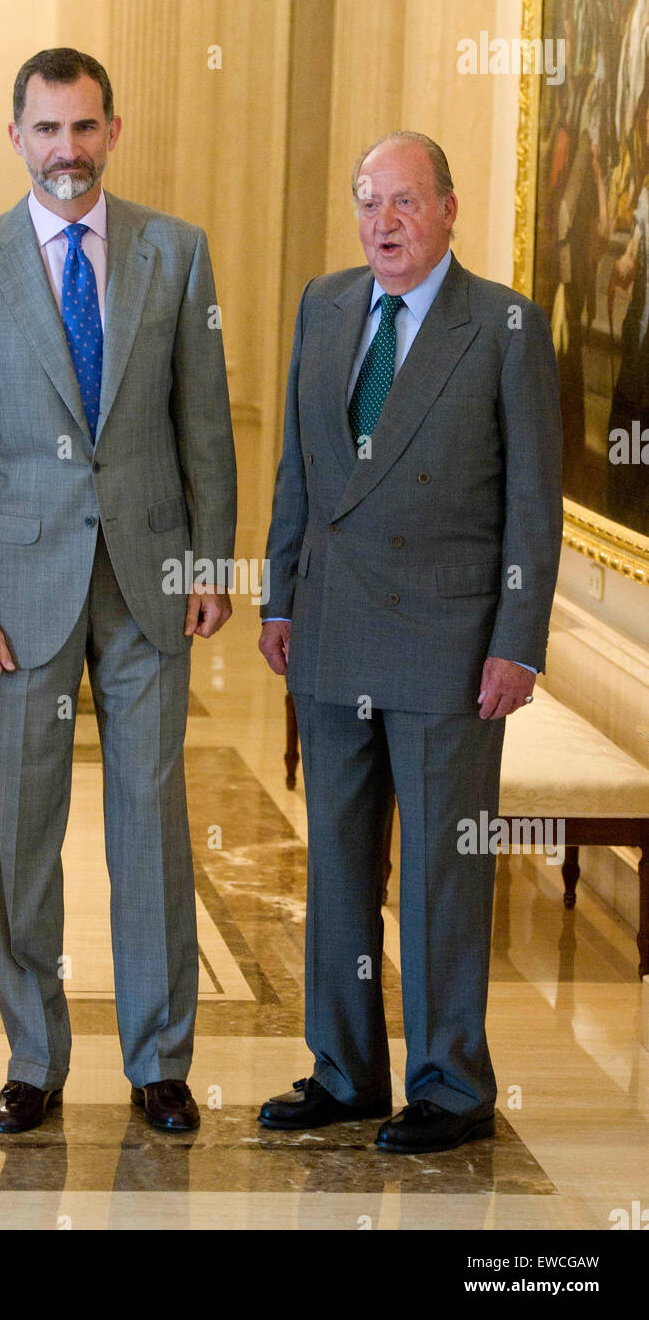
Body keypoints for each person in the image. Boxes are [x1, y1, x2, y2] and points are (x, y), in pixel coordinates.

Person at [0, 48, 236, 1135]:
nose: (67, 151)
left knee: (149, 821)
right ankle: (33, 1057)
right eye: (47, 130)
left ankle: (158, 1062)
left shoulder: (176, 253)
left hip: (149, 581)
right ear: (16, 137)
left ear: (113, 129)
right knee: (21, 827)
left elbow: (203, 421)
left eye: (85, 128)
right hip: (16, 592)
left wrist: (211, 558)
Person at [257, 131, 562, 1154]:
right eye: (366, 202)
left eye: (401, 202)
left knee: (440, 871)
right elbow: (298, 466)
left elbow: (531, 499)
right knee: (338, 865)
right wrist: (277, 599)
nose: (380, 222)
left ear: (447, 209)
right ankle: (343, 1070)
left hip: (448, 645)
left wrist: (515, 643)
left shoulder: (505, 326)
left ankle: (449, 1082)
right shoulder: (323, 302)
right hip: (332, 629)